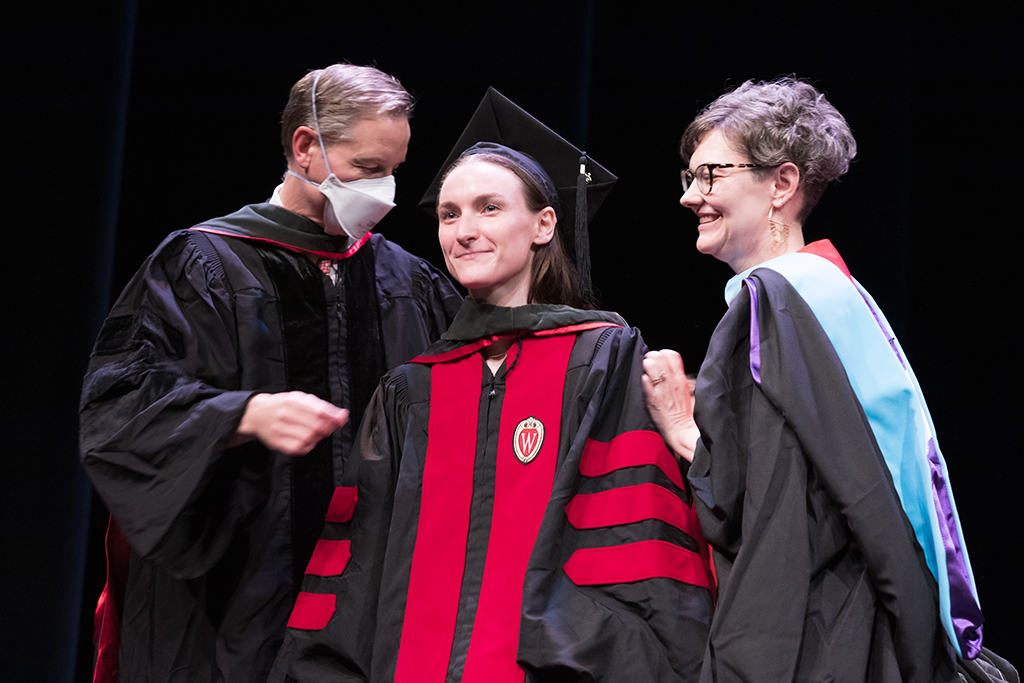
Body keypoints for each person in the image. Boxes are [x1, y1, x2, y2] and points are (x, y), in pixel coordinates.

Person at [271, 88, 716, 683]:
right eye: (449, 214)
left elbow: (635, 539)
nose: (463, 231)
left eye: (488, 208)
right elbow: (359, 561)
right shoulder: (411, 390)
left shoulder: (601, 358)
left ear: (543, 223)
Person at [79, 63, 462, 683]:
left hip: (365, 600)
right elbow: (120, 401)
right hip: (229, 601)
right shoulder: (201, 263)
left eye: (394, 170)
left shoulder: (406, 280)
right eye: (368, 169)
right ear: (306, 148)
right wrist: (243, 413)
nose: (386, 191)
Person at [642, 77, 988, 682]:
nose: (690, 197)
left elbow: (755, 498)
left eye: (710, 175)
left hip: (816, 631)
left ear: (782, 184)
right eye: (689, 178)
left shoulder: (771, 305)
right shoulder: (838, 297)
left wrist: (678, 426)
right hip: (867, 616)